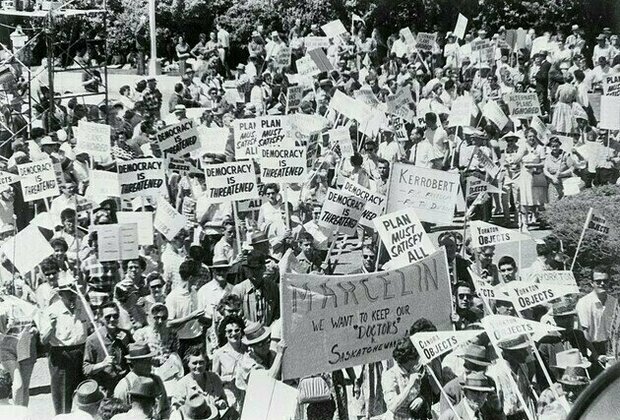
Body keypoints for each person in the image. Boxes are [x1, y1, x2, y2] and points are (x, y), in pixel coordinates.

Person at [40, 280, 89, 415]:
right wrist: (51, 326)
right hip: (61, 355)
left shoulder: (83, 306)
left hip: (82, 352)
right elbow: (43, 340)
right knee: (62, 397)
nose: (72, 295)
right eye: (68, 293)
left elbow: (89, 328)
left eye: (73, 292)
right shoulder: (51, 311)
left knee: (86, 393)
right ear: (60, 294)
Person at [82, 302, 132, 394]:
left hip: (124, 384)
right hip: (105, 387)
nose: (112, 319)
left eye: (115, 316)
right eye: (108, 317)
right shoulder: (93, 339)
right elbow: (86, 369)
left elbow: (136, 359)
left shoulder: (126, 335)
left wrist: (127, 344)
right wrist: (102, 364)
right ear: (101, 318)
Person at [113, 343, 170, 419]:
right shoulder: (124, 386)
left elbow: (165, 409)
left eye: (150, 360)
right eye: (144, 361)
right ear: (133, 363)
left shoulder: (157, 380)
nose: (150, 364)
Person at [166, 260, 206, 362]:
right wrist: (190, 317)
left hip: (198, 339)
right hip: (182, 342)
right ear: (191, 278)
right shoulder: (173, 297)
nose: (199, 279)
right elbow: (169, 324)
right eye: (198, 276)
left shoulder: (194, 292)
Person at [576, 265, 613, 375]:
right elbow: (584, 334)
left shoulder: (613, 302)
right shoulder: (584, 303)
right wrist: (596, 355)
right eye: (598, 281)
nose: (602, 284)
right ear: (592, 283)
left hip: (609, 349)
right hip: (591, 349)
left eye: (605, 281)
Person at [382, 338, 429, 420]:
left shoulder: (414, 371)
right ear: (410, 358)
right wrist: (410, 385)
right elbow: (392, 406)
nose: (419, 359)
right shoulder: (390, 375)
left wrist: (421, 399)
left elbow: (421, 392)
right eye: (417, 356)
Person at [231, 253, 279, 326]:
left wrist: (272, 328)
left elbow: (277, 312)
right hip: (246, 333)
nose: (254, 272)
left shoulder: (272, 287)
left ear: (263, 268)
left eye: (257, 269)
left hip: (270, 331)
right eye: (251, 269)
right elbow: (234, 315)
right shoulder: (239, 289)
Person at [212, 314, 246, 412]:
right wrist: (227, 379)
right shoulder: (219, 354)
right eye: (229, 331)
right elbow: (214, 379)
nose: (233, 334)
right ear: (225, 333)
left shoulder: (248, 350)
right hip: (229, 395)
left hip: (247, 393)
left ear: (241, 331)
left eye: (236, 330)